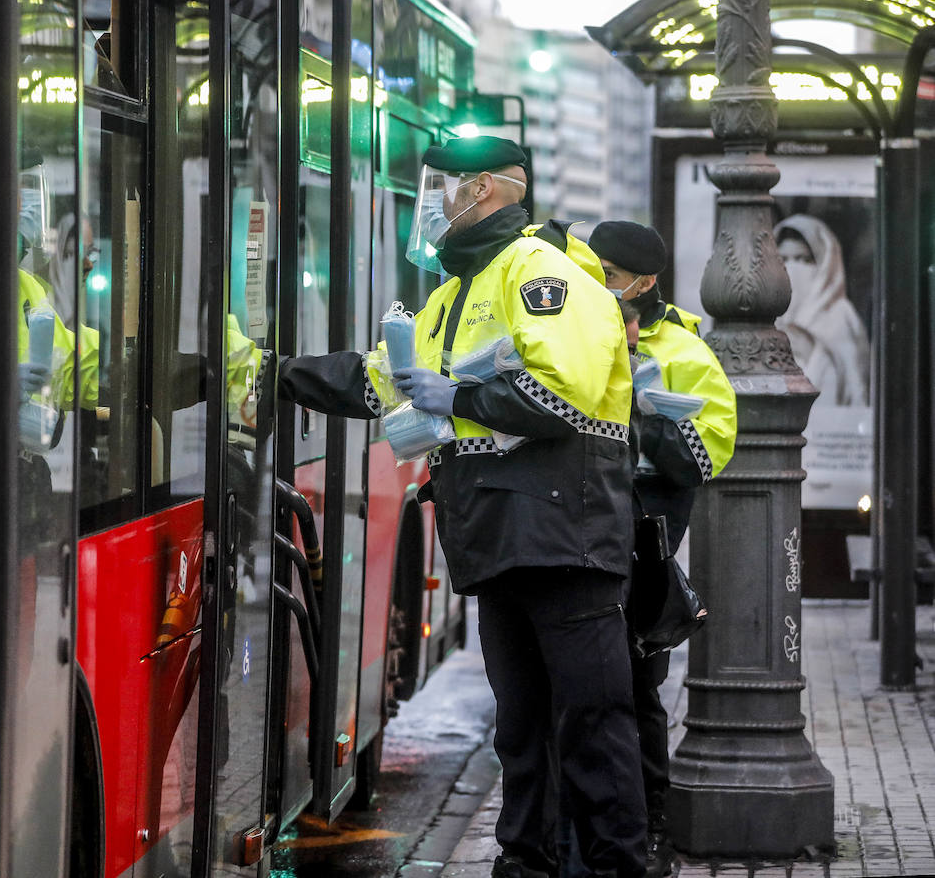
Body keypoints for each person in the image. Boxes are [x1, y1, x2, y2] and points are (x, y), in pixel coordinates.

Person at [279, 136, 645, 878]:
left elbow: (563, 392)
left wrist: (463, 397)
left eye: (442, 188)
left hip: (563, 538)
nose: (433, 205)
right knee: (522, 725)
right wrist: (279, 374)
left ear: (483, 191)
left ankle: (614, 866)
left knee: (592, 723)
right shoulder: (453, 294)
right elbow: (383, 379)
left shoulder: (541, 271)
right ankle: (526, 861)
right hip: (500, 542)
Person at [587, 220, 737, 878]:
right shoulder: (580, 329)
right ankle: (581, 834)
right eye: (594, 272)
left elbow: (705, 454)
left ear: (644, 283)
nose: (601, 285)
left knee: (634, 695)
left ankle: (649, 830)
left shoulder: (684, 350)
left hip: (641, 553)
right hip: (581, 537)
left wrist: (646, 419)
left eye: (611, 276)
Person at [773, 213, 870, 406]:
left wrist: (813, 350)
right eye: (784, 259)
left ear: (824, 262)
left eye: (803, 259)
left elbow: (856, 390)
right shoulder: (767, 316)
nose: (793, 268)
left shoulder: (842, 316)